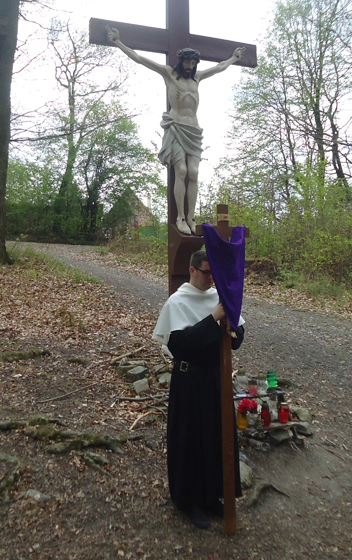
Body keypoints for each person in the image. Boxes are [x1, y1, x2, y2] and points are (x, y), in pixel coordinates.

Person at [106, 26, 244, 235]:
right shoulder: (168, 74)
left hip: (193, 130)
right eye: (187, 62)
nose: (190, 66)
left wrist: (233, 58)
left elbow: (219, 67)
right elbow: (140, 59)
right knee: (181, 171)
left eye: (193, 63)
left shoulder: (197, 78)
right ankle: (180, 217)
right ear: (181, 61)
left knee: (194, 172)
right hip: (177, 127)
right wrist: (118, 42)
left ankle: (191, 217)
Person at [152, 249, 245, 529]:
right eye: (206, 272)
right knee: (190, 439)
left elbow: (237, 339)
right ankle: (190, 501)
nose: (211, 278)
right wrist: (213, 319)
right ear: (192, 270)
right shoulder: (177, 302)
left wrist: (232, 325)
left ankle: (213, 495)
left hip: (216, 379)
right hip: (189, 380)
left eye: (213, 273)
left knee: (217, 437)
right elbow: (180, 345)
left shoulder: (220, 297)